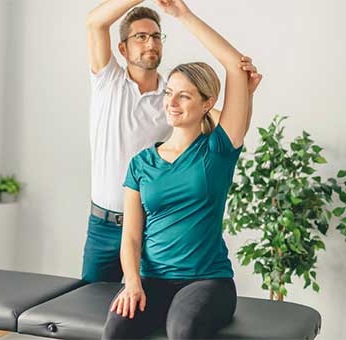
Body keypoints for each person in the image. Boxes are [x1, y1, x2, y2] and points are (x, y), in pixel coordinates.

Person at [101, 0, 263, 339]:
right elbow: (130, 237)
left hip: (207, 281)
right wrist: (132, 283)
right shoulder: (142, 163)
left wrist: (182, 14)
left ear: (207, 104)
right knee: (114, 331)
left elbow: (235, 66)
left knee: (182, 329)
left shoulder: (217, 150)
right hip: (151, 279)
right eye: (170, 93)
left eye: (185, 97)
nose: (172, 103)